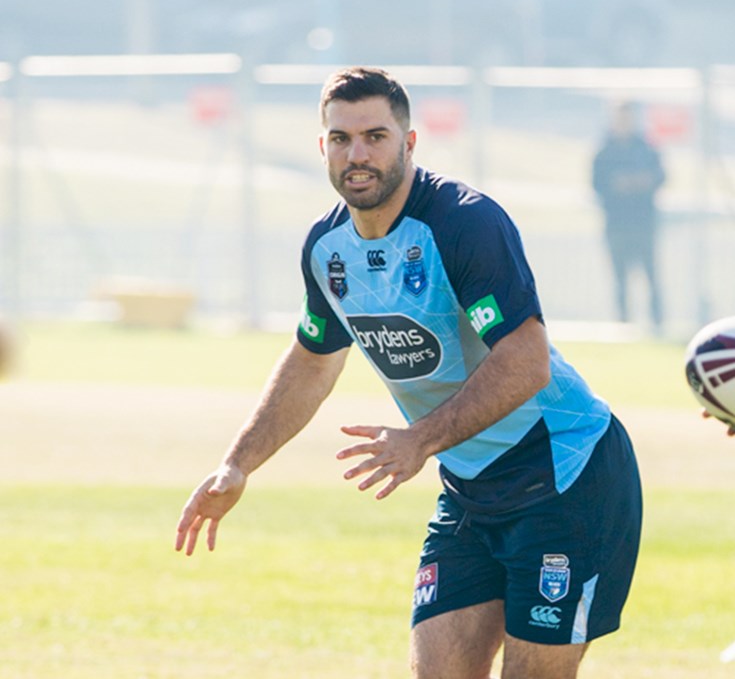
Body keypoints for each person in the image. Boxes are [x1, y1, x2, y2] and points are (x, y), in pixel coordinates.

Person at [176, 67, 643, 679]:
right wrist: (237, 463)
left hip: (566, 477)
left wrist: (419, 440)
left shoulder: (463, 224)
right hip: (472, 490)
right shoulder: (326, 249)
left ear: (410, 143)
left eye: (375, 135)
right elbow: (313, 360)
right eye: (341, 139)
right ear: (323, 148)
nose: (357, 154)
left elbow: (525, 362)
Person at [592, 101, 666, 330]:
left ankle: (657, 324)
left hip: (643, 223)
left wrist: (643, 182)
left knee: (651, 276)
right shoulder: (605, 152)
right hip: (616, 224)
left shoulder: (646, 148)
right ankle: (623, 325)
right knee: (620, 279)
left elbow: (661, 176)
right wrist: (618, 185)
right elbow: (597, 183)